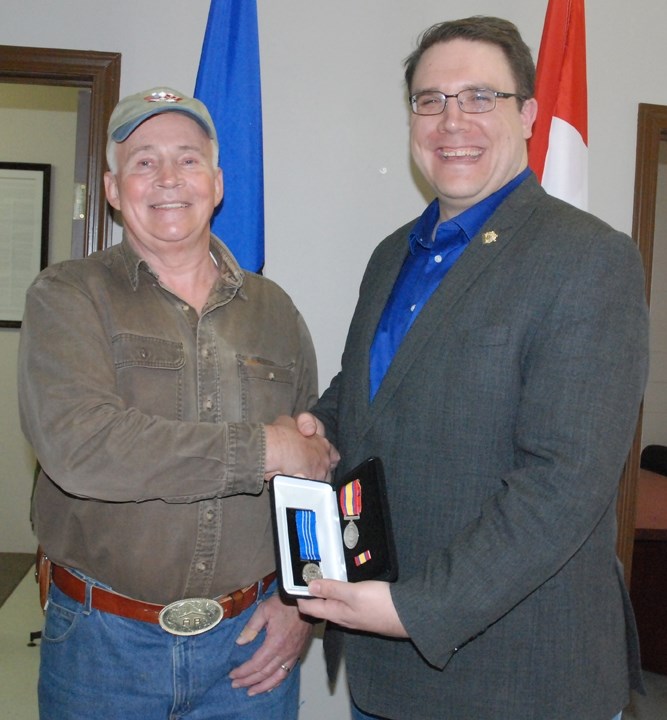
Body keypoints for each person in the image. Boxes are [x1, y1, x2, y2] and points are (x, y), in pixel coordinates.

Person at [295, 16, 649, 720]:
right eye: (429, 100)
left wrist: (416, 607)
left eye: (478, 96)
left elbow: (563, 482)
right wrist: (319, 423)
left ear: (527, 114)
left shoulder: (587, 259)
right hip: (385, 666)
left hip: (520, 677)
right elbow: (374, 389)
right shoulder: (392, 253)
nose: (450, 119)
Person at [18, 86, 338, 720]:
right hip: (100, 646)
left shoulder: (276, 311)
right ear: (113, 190)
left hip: (250, 648)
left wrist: (303, 603)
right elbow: (82, 447)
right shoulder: (68, 297)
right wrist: (265, 448)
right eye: (143, 161)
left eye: (188, 160)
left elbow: (313, 472)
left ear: (216, 184)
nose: (168, 178)